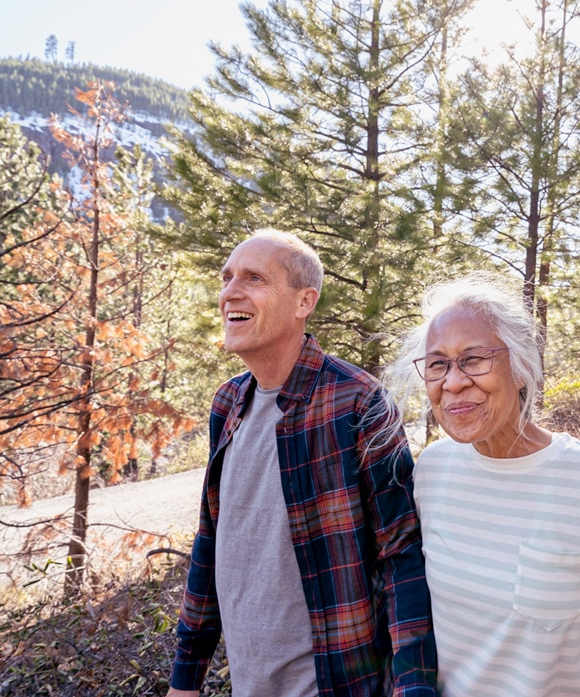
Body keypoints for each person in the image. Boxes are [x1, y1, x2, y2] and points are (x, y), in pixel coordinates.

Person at [381, 273, 580, 697]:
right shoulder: (431, 472)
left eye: (473, 359)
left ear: (520, 368)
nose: (452, 382)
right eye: (437, 364)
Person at [166, 229, 437, 697]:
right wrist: (185, 676)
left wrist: (414, 688)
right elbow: (210, 542)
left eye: (254, 278)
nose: (230, 290)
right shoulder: (228, 403)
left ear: (303, 302)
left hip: (336, 685)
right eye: (227, 277)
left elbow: (402, 556)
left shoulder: (358, 401)